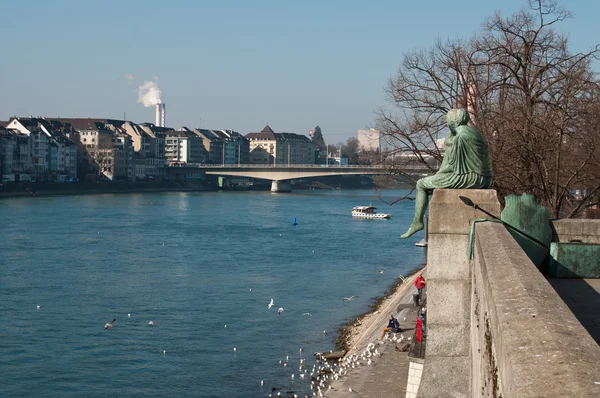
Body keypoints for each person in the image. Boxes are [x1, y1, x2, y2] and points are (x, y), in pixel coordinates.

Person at [401, 108, 493, 239]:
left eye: (447, 120)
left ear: (452, 122)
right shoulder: (475, 134)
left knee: (421, 184)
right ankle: (417, 222)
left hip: (468, 177)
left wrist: (436, 178)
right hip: (484, 179)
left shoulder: (459, 139)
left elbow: (448, 167)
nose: (446, 123)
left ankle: (417, 222)